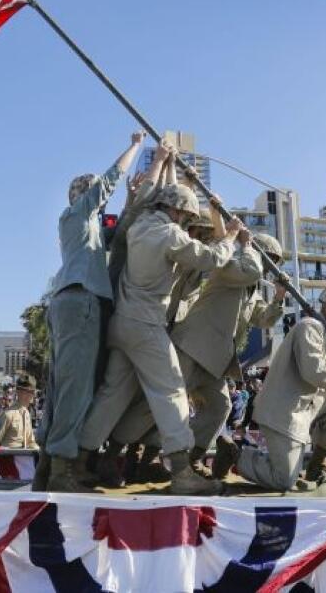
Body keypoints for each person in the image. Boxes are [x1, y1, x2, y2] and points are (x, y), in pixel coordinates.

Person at [77, 183, 241, 496]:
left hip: (122, 322)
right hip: (146, 325)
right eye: (187, 217)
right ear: (178, 211)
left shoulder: (138, 226)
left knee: (113, 395)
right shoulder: (171, 235)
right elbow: (211, 259)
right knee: (172, 393)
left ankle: (80, 461)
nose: (188, 224)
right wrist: (230, 236)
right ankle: (181, 473)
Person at [41, 131, 145, 492]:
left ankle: (65, 462)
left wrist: (132, 201)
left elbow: (123, 235)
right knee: (74, 386)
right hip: (79, 301)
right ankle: (59, 467)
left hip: (86, 304)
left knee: (81, 386)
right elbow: (106, 184)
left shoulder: (91, 231)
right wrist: (134, 145)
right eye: (92, 192)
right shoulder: (73, 217)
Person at [231, 282, 326, 491]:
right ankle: (237, 455)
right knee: (284, 480)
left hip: (302, 409)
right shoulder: (310, 327)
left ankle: (318, 462)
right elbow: (315, 373)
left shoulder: (325, 336)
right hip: (282, 413)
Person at [164, 231, 287, 479]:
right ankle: (141, 455)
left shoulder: (252, 289)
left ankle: (192, 458)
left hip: (215, 359)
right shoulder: (231, 267)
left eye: (274, 261)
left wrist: (279, 298)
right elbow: (246, 268)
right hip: (192, 346)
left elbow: (264, 319)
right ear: (253, 251)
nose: (269, 266)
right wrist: (245, 246)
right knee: (167, 404)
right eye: (269, 258)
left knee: (221, 406)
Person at [0, 378, 39, 449]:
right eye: (28, 392)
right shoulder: (8, 414)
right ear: (18, 392)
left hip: (23, 456)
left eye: (32, 392)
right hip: (9, 457)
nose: (31, 395)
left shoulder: (27, 413)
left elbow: (30, 441)